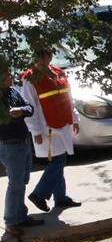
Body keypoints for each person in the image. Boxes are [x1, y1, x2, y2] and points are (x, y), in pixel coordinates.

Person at [20, 46, 81, 214]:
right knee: (58, 161)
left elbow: (68, 96)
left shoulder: (57, 72)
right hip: (46, 127)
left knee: (59, 161)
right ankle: (39, 194)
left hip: (62, 123)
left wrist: (74, 118)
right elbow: (29, 106)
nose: (44, 59)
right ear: (36, 57)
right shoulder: (30, 78)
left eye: (46, 55)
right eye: (41, 55)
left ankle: (60, 198)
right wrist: (35, 130)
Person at [1, 60, 42, 237]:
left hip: (24, 142)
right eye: (6, 76)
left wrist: (21, 111)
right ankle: (11, 221)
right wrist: (10, 114)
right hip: (10, 145)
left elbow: (30, 107)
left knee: (22, 180)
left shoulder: (13, 92)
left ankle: (20, 216)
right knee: (15, 183)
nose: (11, 78)